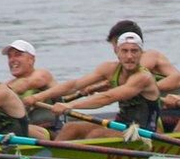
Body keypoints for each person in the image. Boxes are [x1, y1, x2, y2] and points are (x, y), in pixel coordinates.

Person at [29, 31, 161, 139]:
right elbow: (74, 85)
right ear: (117, 52)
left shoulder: (143, 77)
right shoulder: (109, 69)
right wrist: (38, 97)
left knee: (97, 134)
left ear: (141, 54)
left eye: (134, 51)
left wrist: (70, 105)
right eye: (124, 51)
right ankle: (52, 158)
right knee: (71, 128)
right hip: (120, 125)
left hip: (144, 132)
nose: (129, 56)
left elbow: (108, 97)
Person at [0, 39, 59, 132]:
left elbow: (25, 83)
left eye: (18, 55)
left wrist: (0, 96)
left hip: (53, 130)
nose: (12, 60)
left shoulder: (42, 74)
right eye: (9, 56)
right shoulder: (9, 84)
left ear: (31, 59)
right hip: (27, 130)